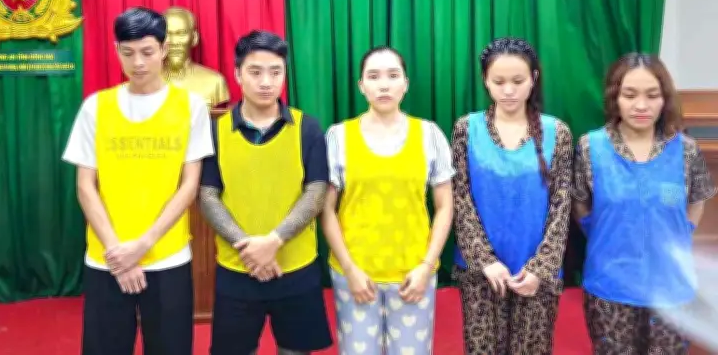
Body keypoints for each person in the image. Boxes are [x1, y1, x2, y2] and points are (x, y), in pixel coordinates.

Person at [62, 7, 213, 355]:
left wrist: (144, 245)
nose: (138, 63)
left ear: (163, 49)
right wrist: (119, 253)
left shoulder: (191, 107)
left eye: (147, 52)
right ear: (116, 50)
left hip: (166, 257)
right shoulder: (95, 107)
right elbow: (85, 186)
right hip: (107, 258)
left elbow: (189, 185)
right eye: (128, 53)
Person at [198, 30, 333, 355]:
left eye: (275, 72)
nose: (266, 82)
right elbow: (207, 196)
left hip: (295, 266)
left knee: (295, 350)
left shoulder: (307, 128)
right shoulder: (215, 130)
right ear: (237, 74)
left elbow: (316, 192)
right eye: (255, 72)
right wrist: (249, 249)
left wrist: (274, 241)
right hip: (237, 268)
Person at [572, 53, 717, 354]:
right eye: (630, 95)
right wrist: (603, 235)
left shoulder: (686, 151)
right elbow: (581, 204)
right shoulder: (590, 147)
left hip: (672, 289)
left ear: (665, 99)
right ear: (615, 98)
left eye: (652, 95)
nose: (641, 105)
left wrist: (679, 232)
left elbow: (696, 201)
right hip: (610, 287)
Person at [321, 46, 454, 355]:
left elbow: (445, 206)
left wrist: (426, 267)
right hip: (355, 274)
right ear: (361, 85)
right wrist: (350, 269)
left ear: (405, 84)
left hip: (413, 275)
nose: (384, 85)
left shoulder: (429, 134)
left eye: (393, 76)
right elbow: (326, 209)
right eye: (374, 76)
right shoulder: (338, 136)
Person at [452, 37, 573, 354]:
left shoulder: (557, 132)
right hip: (482, 274)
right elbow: (460, 200)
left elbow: (561, 206)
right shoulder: (467, 128)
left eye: (518, 81)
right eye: (499, 81)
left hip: (536, 274)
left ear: (533, 79)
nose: (508, 90)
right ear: (485, 80)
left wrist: (540, 268)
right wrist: (485, 261)